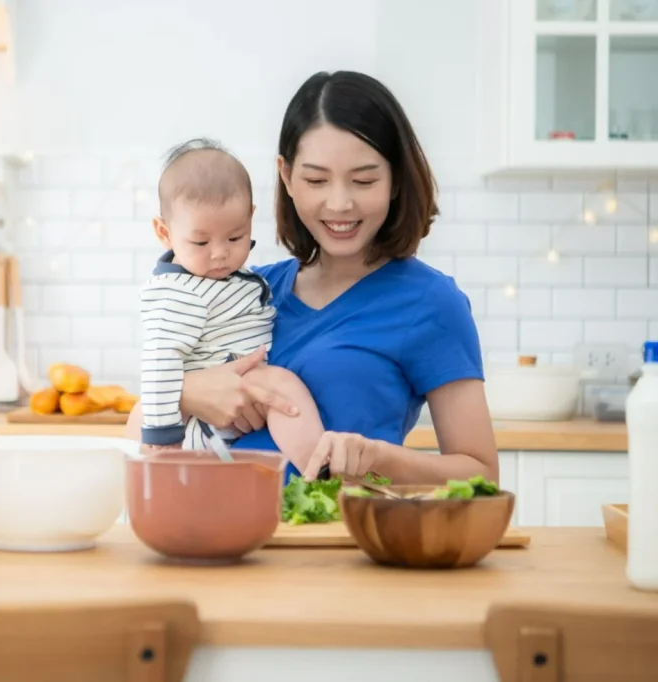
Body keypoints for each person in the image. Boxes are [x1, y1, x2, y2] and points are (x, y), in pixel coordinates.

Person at [125, 70, 499, 486]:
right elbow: (141, 431)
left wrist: (377, 458)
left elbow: (480, 475)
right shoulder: (246, 292)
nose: (339, 202)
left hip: (340, 542)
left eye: (364, 180)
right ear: (286, 176)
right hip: (214, 537)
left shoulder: (430, 302)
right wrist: (187, 393)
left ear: (395, 179)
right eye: (316, 180)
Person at [137, 138, 326, 474]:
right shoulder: (179, 293)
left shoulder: (232, 278)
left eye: (235, 237)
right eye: (200, 241)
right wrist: (161, 434)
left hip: (232, 415)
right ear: (164, 232)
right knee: (282, 386)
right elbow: (158, 362)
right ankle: (322, 472)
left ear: (251, 219)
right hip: (201, 425)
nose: (220, 253)